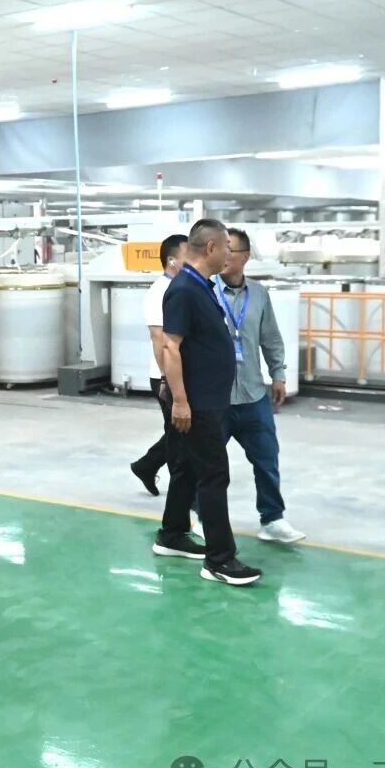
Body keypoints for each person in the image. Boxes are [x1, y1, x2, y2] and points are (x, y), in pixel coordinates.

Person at [155, 219, 262, 586]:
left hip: (207, 398)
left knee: (186, 467)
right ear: (212, 248)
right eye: (227, 247)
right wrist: (181, 402)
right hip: (197, 403)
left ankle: (171, 535)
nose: (230, 254)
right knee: (214, 475)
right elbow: (171, 347)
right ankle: (220, 559)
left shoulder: (201, 286)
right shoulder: (185, 289)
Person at [217, 228, 306, 544]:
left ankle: (272, 519)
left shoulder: (259, 294)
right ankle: (201, 516)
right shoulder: (204, 291)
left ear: (245, 256)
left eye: (230, 249)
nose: (223, 255)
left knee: (267, 459)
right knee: (209, 466)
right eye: (220, 248)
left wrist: (278, 375)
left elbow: (271, 338)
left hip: (253, 394)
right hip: (216, 398)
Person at [130, 234, 187, 497]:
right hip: (166, 375)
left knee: (179, 433)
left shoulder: (183, 288)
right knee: (179, 436)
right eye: (188, 255)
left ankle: (147, 466)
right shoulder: (159, 292)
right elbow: (158, 338)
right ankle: (181, 494)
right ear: (172, 260)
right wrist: (167, 379)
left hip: (180, 373)